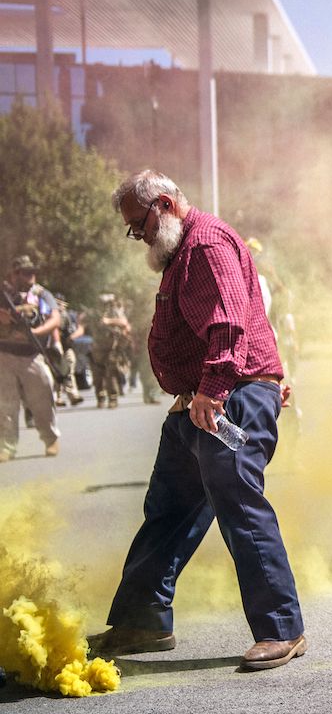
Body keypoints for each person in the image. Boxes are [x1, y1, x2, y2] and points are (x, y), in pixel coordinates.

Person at [88, 170, 306, 671]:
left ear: (163, 204)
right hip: (202, 401)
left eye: (137, 224)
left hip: (226, 398)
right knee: (167, 508)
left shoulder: (205, 244)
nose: (136, 236)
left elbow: (228, 321)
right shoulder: (180, 253)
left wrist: (214, 389)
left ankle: (281, 629)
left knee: (239, 505)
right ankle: (143, 620)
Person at [0, 255, 62, 462]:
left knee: (42, 401)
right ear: (13, 274)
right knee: (6, 406)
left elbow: (55, 318)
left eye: (32, 272)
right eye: (26, 272)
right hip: (5, 354)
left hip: (31, 355)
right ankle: (7, 447)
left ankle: (50, 438)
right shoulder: (3, 293)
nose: (31, 276)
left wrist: (37, 332)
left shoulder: (41, 294)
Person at [90, 292, 132, 409]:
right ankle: (100, 398)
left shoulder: (114, 312)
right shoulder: (93, 313)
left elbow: (124, 323)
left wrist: (108, 321)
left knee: (111, 373)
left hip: (112, 348)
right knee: (98, 375)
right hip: (97, 348)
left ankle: (113, 398)